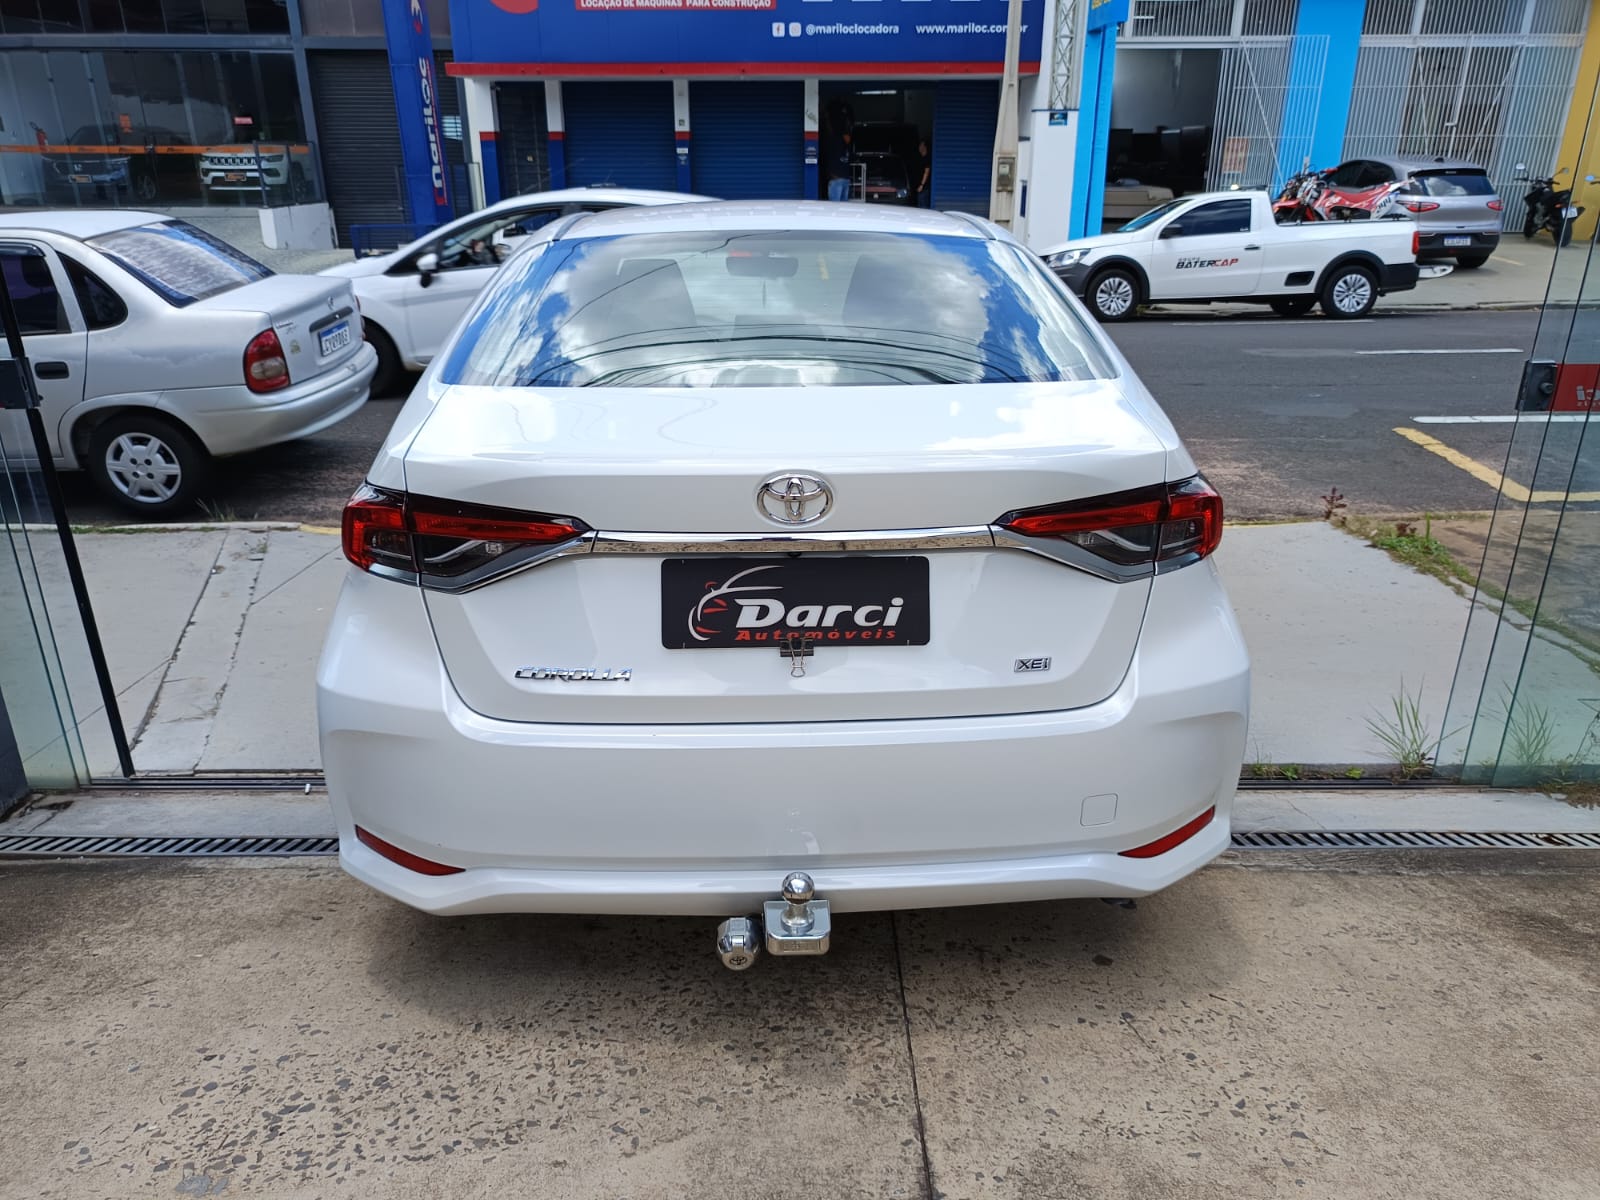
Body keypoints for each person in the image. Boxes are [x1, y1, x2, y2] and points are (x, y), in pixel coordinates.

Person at [823, 104, 853, 202]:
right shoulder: (843, 143)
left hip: (840, 180)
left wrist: (827, 117)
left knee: (836, 208)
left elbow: (830, 131)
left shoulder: (839, 141)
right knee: (841, 208)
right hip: (843, 179)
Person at [915, 139, 931, 208]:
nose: (919, 147)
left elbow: (926, 172)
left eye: (921, 145)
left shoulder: (927, 159)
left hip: (924, 188)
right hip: (920, 187)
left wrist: (922, 185)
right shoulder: (920, 158)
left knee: (923, 207)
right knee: (920, 206)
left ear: (924, 147)